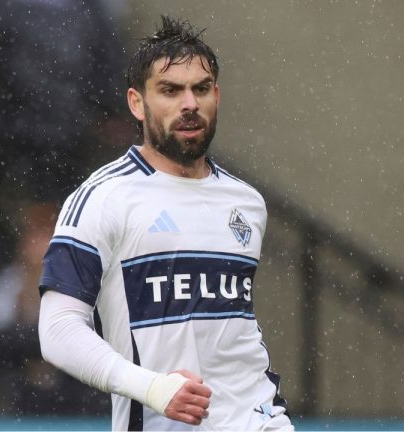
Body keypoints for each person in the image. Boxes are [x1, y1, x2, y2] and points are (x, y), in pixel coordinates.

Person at [38, 16, 293, 430]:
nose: (189, 104)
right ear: (137, 103)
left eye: (201, 89)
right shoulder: (102, 198)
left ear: (216, 96)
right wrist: (152, 387)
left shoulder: (247, 203)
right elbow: (58, 330)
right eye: (170, 91)